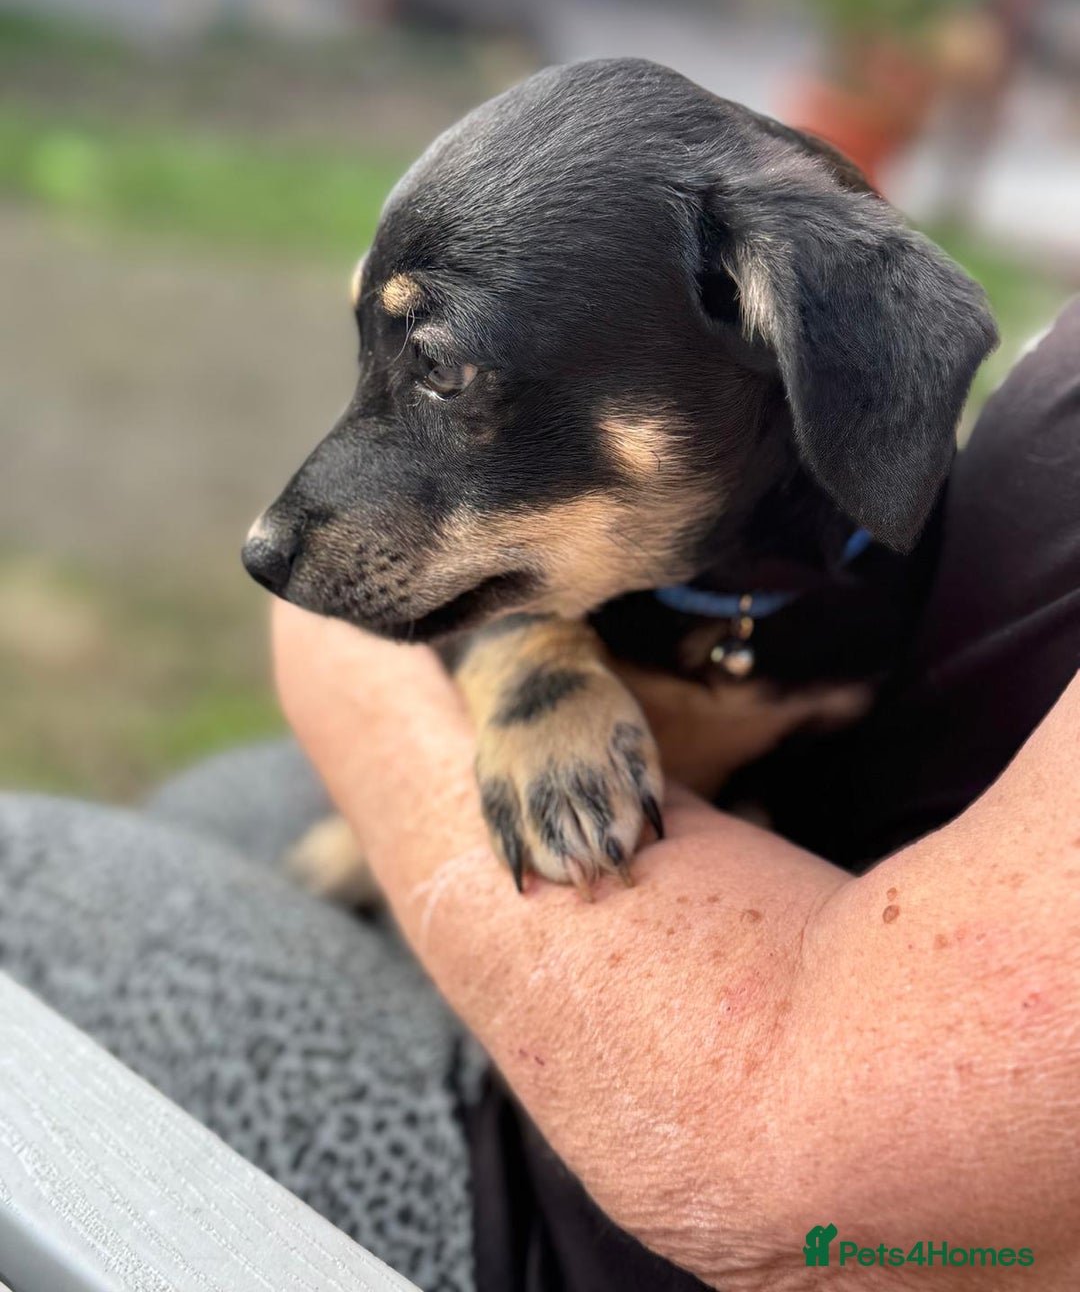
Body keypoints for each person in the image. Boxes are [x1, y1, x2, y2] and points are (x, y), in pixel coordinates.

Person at [2, 303, 1078, 1291]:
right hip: (608, 926)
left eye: (442, 370)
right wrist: (513, 656)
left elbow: (789, 1183)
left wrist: (405, 737)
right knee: (218, 804)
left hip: (555, 1199)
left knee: (21, 879)